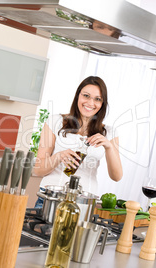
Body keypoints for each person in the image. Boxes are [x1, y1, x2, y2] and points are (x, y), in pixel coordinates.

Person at [33, 76, 122, 208]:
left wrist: (109, 147)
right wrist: (58, 156)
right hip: (50, 198)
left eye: (97, 99)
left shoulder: (109, 132)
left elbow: (116, 176)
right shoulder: (55, 121)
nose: (91, 103)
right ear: (78, 96)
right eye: (86, 96)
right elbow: (38, 170)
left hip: (83, 204)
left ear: (102, 103)